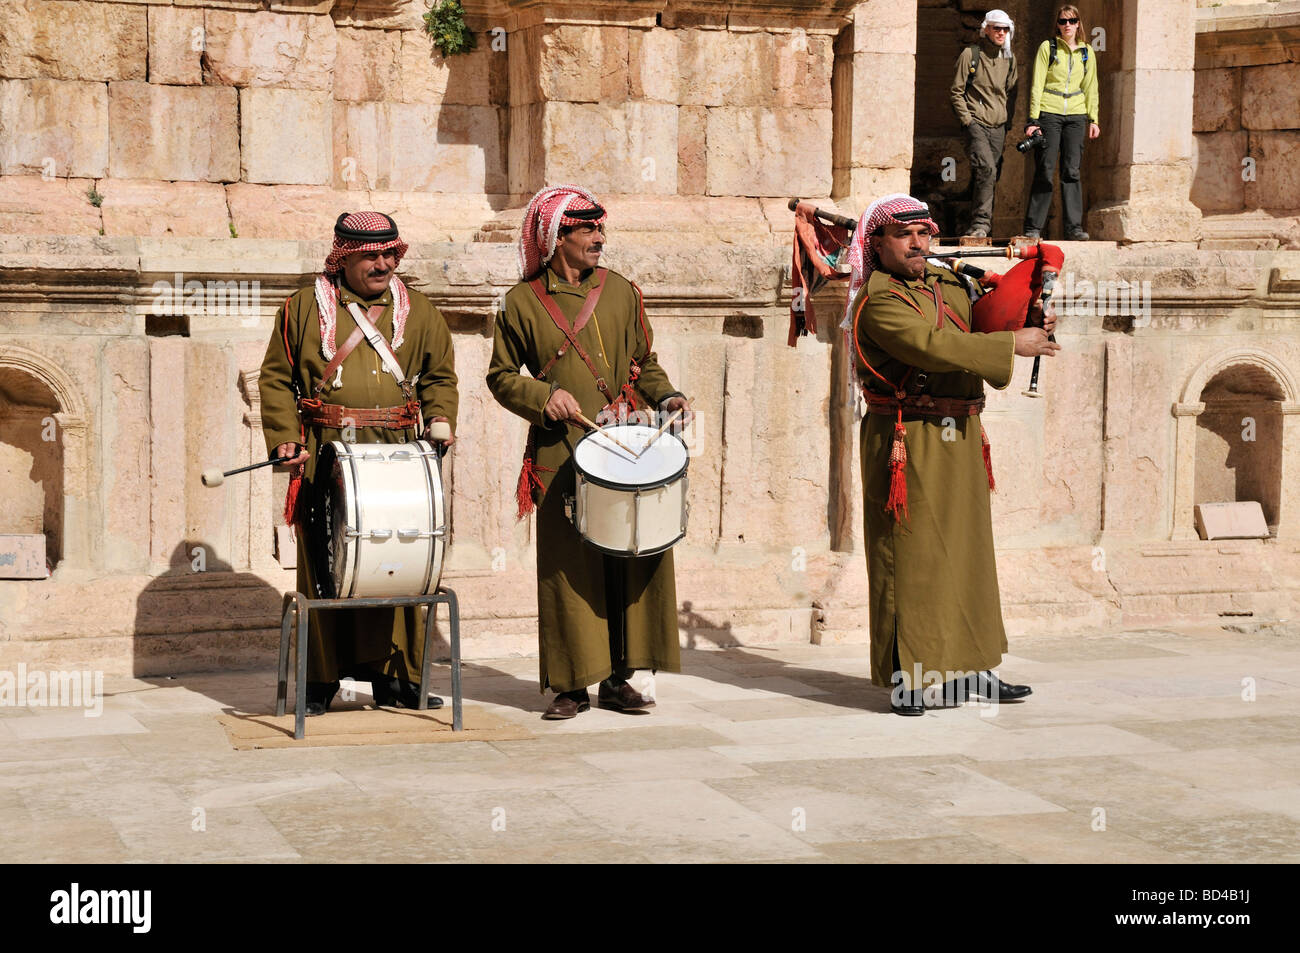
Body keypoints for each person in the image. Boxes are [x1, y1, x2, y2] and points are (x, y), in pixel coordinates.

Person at [841, 193, 1058, 715]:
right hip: (906, 438)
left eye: (924, 234)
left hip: (960, 433)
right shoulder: (878, 302)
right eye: (904, 235)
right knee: (912, 559)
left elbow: (981, 323)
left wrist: (1024, 303)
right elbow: (933, 345)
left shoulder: (947, 283)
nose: (918, 244)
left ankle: (973, 671)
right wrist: (1013, 347)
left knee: (968, 556)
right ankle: (907, 679)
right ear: (877, 244)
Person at [487, 185, 692, 720]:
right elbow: (501, 376)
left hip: (625, 445)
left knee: (631, 553)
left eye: (600, 229)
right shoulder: (520, 302)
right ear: (557, 238)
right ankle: (571, 685)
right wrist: (541, 396)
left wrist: (666, 395)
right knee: (570, 568)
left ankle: (621, 679)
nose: (599, 238)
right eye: (587, 230)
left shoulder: (623, 292)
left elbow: (643, 363)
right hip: (562, 451)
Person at [259, 211, 458, 716]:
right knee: (326, 564)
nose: (383, 263)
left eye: (390, 254)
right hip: (326, 446)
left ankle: (399, 680)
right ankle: (320, 680)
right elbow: (278, 379)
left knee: (404, 559)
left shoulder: (421, 311)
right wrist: (285, 438)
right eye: (371, 255)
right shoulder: (303, 309)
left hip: (399, 450)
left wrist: (440, 417)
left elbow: (440, 377)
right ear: (344, 257)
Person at [1022, 4, 1100, 240]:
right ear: (1057, 24)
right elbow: (1037, 83)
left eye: (1072, 21)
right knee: (1045, 169)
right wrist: (1032, 119)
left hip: (1076, 115)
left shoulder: (1087, 51)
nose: (1067, 25)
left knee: (1072, 171)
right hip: (1050, 112)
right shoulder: (1048, 47)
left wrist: (1093, 119)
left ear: (1078, 24)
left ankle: (1074, 228)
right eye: (1063, 21)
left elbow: (1091, 87)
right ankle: (1034, 227)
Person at [950, 9, 1018, 239]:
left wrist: (1008, 122)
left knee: (989, 175)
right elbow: (956, 91)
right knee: (987, 170)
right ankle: (981, 225)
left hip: (998, 125)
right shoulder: (970, 54)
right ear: (986, 29)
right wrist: (967, 120)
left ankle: (977, 224)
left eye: (1005, 29)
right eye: (996, 28)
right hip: (976, 122)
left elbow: (1011, 91)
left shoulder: (1009, 58)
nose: (1001, 33)